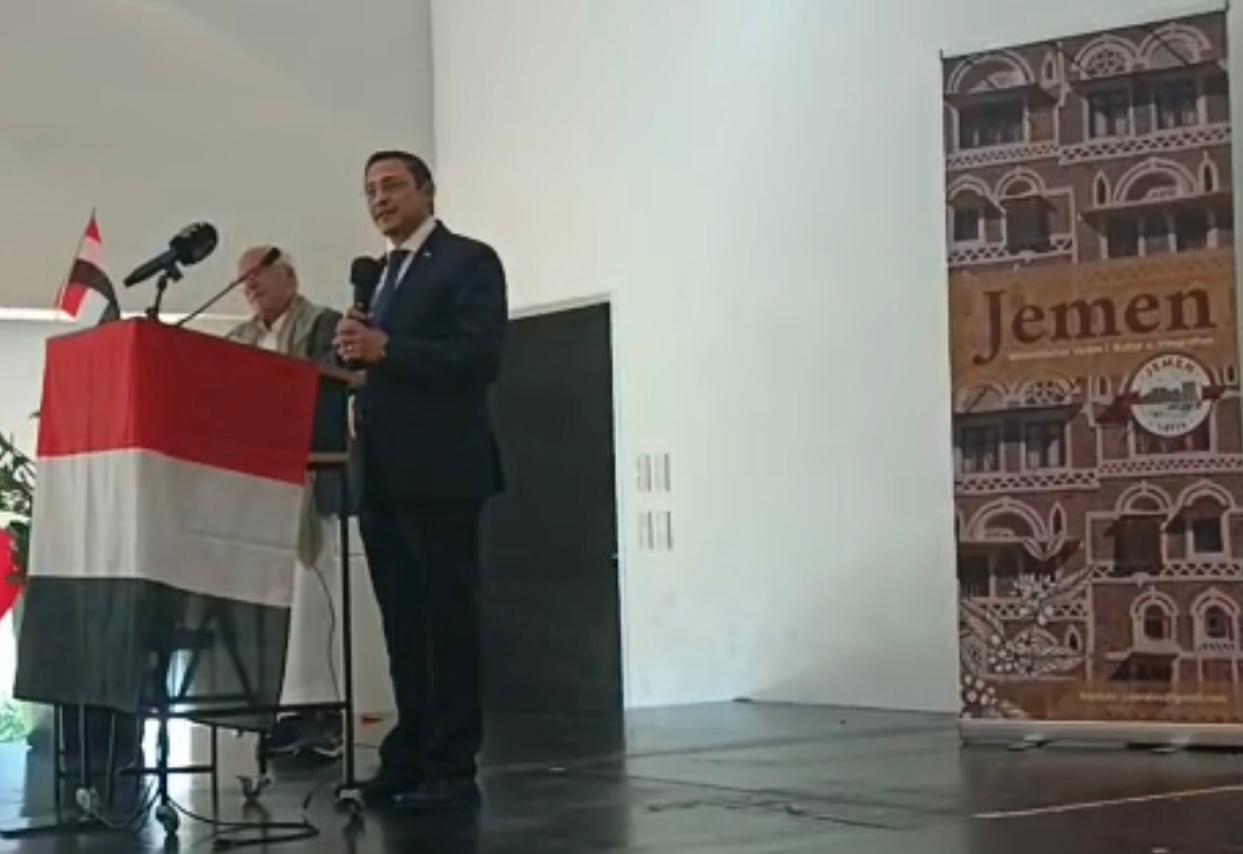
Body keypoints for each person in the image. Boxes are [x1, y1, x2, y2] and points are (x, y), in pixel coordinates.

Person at [334, 150, 507, 812]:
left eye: (392, 186)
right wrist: (358, 367)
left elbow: (480, 357)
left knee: (445, 622)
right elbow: (386, 366)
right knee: (402, 625)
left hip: (441, 472)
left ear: (427, 192)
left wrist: (389, 350)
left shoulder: (467, 261)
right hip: (381, 473)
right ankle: (408, 755)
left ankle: (451, 765)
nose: (379, 199)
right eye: (369, 190)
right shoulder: (380, 276)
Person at [226, 246, 344, 760]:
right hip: (259, 490)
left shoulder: (323, 326)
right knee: (271, 598)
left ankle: (320, 713)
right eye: (243, 280)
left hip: (309, 486)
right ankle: (282, 711)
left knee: (312, 598)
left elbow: (329, 386)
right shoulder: (240, 339)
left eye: (259, 274)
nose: (250, 285)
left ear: (290, 278)